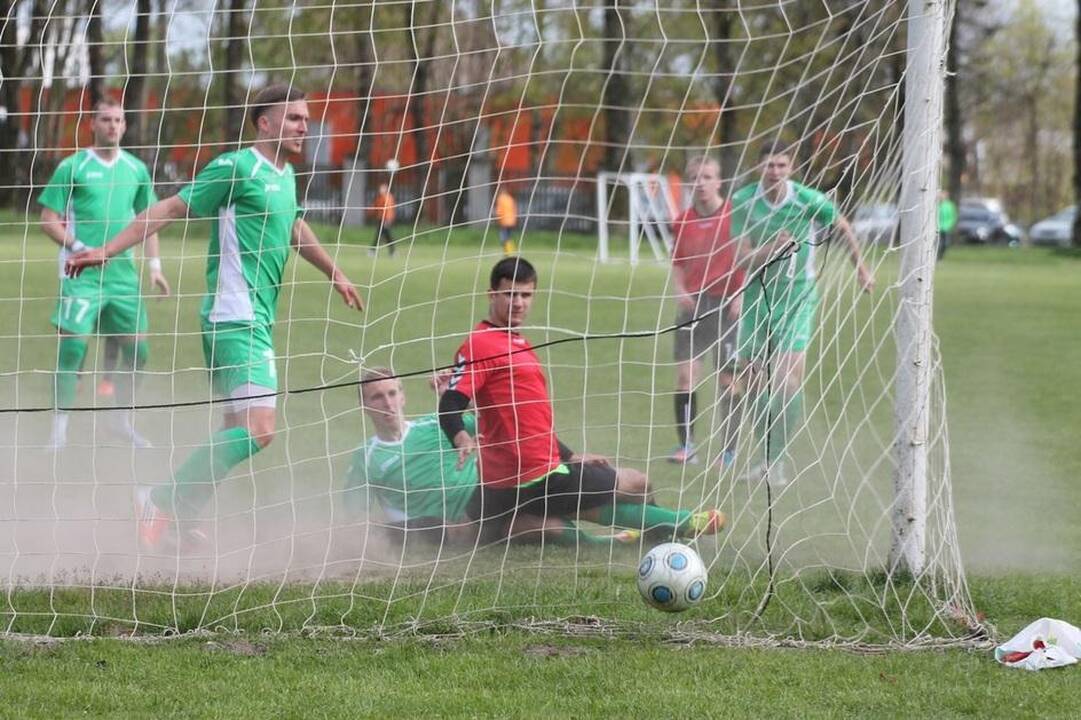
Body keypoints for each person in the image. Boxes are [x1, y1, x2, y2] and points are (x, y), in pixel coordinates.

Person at [66, 84, 364, 549]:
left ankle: (179, 515)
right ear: (264, 123)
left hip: (253, 319)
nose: (304, 126)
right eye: (293, 118)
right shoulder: (235, 166)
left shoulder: (284, 175)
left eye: (306, 118)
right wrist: (105, 250)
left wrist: (335, 273)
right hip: (234, 317)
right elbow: (169, 207)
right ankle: (158, 499)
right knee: (259, 430)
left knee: (235, 431)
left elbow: (294, 226)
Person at [437, 257, 725, 542]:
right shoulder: (481, 343)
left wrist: (568, 454)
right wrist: (460, 436)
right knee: (637, 482)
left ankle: (644, 535)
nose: (519, 303)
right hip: (534, 475)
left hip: (504, 482)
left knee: (500, 528)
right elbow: (450, 402)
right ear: (492, 294)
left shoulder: (515, 342)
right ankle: (680, 523)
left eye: (526, 295)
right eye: (510, 294)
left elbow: (527, 422)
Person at [345, 367, 660, 547]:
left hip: (505, 490)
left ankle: (662, 528)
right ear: (364, 405)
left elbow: (504, 423)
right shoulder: (366, 457)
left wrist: (452, 402)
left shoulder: (435, 424)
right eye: (376, 397)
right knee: (533, 527)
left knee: (636, 482)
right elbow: (355, 520)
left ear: (402, 395)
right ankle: (616, 543)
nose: (387, 403)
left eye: (391, 393)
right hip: (467, 524)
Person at [730, 139, 874, 486]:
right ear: (758, 168)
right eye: (768, 165)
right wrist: (772, 249)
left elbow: (841, 225)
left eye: (781, 165)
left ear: (791, 168)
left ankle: (776, 461)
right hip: (757, 295)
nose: (775, 172)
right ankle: (766, 453)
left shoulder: (808, 199)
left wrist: (861, 269)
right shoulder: (742, 200)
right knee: (750, 380)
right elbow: (742, 258)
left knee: (786, 379)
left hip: (797, 296)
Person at [38, 96, 171, 449]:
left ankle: (119, 421)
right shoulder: (73, 166)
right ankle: (59, 430)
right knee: (72, 350)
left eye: (118, 120)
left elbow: (149, 222)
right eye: (106, 119)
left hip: (124, 278)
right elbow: (48, 220)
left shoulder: (136, 169)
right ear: (92, 124)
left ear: (125, 126)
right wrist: (79, 248)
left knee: (138, 353)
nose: (113, 125)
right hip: (81, 276)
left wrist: (154, 268)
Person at [667, 155, 745, 467]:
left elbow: (750, 258)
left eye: (707, 176)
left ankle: (728, 451)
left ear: (719, 181)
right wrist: (680, 290)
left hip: (728, 306)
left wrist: (742, 293)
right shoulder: (682, 220)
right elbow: (677, 262)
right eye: (695, 177)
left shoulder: (735, 216)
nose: (700, 183)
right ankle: (687, 446)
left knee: (728, 380)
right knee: (686, 376)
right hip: (693, 306)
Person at [370, 183, 396, 257]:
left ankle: (391, 251)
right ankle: (391, 252)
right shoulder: (379, 197)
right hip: (380, 219)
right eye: (380, 188)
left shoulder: (388, 197)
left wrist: (387, 220)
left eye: (382, 188)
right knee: (381, 236)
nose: (380, 190)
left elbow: (389, 209)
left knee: (386, 236)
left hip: (385, 220)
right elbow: (375, 207)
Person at [495, 185, 518, 255]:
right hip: (512, 221)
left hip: (504, 221)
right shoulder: (510, 198)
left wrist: (498, 220)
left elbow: (499, 211)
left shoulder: (501, 198)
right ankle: (511, 251)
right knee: (509, 236)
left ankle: (508, 252)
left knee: (504, 237)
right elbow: (515, 209)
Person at [937, 190, 957, 260]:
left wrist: (949, 225)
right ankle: (936, 257)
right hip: (937, 228)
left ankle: (940, 257)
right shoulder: (937, 205)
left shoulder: (949, 205)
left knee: (945, 244)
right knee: (938, 243)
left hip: (946, 228)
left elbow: (952, 216)